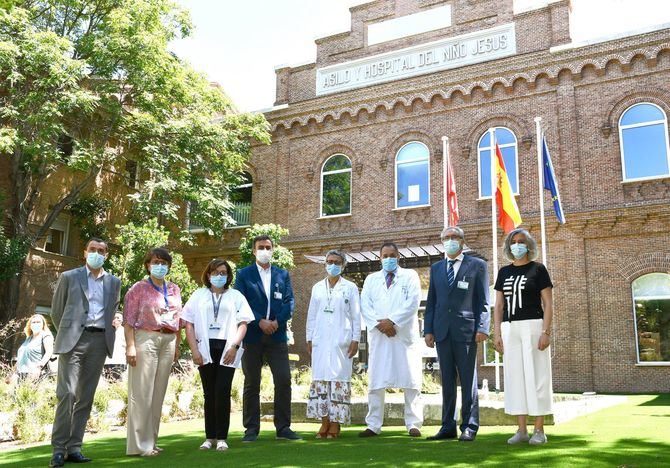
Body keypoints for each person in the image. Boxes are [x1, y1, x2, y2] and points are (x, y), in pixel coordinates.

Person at [49, 237, 121, 468]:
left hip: (99, 341)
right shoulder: (69, 277)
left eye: (101, 251)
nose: (97, 253)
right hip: (73, 341)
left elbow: (113, 310)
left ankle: (75, 447)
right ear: (85, 252)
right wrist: (70, 332)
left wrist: (116, 319)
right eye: (93, 249)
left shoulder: (114, 282)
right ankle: (58, 450)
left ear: (107, 255)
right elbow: (56, 312)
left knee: (85, 398)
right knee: (67, 394)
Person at [424, 226, 490, 442]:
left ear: (462, 241)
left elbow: (484, 301)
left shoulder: (477, 266)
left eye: (454, 237)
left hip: (467, 332)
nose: (450, 241)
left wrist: (483, 327)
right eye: (446, 238)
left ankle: (469, 426)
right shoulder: (436, 268)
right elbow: (431, 302)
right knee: (447, 381)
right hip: (442, 332)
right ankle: (447, 426)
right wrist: (428, 329)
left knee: (468, 380)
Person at [183, 259, 254, 451]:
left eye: (223, 273)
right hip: (204, 347)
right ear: (208, 275)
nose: (219, 276)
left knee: (222, 391)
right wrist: (194, 350)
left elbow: (243, 323)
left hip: (227, 348)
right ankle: (209, 437)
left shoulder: (235, 296)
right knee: (209, 393)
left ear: (228, 276)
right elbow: (188, 323)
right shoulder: (199, 295)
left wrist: (234, 346)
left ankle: (222, 437)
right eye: (215, 272)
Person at [234, 234, 300, 441]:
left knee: (283, 379)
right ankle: (251, 429)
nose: (264, 250)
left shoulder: (282, 274)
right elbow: (240, 301)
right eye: (260, 247)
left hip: (277, 335)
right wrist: (259, 320)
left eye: (268, 247)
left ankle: (283, 428)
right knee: (252, 382)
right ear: (254, 251)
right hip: (252, 335)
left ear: (273, 250)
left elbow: (289, 302)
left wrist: (276, 322)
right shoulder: (243, 274)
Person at [493, 228, 554, 445]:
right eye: (513, 242)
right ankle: (521, 430)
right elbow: (499, 306)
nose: (516, 245)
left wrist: (546, 332)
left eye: (521, 241)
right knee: (515, 377)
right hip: (511, 328)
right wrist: (497, 333)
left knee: (537, 376)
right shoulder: (503, 272)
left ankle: (539, 429)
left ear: (528, 245)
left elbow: (547, 303)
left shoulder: (538, 270)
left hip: (534, 326)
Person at [359, 241, 423, 438]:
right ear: (380, 258)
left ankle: (413, 423)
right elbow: (365, 305)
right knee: (376, 380)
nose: (388, 259)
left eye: (392, 255)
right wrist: (382, 326)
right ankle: (373, 424)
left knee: (411, 379)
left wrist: (393, 322)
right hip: (380, 335)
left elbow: (413, 302)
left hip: (402, 334)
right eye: (384, 256)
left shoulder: (410, 276)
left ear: (398, 257)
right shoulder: (371, 279)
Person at [123, 247, 182, 457]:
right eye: (156, 262)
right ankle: (140, 446)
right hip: (145, 337)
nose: (160, 266)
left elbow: (178, 319)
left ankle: (152, 441)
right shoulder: (138, 288)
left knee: (158, 393)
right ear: (148, 265)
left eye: (164, 263)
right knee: (142, 393)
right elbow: (128, 321)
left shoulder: (174, 289)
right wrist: (130, 346)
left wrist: (178, 343)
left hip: (169, 339)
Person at [306, 249, 361, 439]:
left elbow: (356, 316)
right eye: (330, 261)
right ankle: (324, 422)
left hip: (342, 341)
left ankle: (336, 423)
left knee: (338, 380)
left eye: (337, 262)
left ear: (343, 265)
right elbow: (312, 316)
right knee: (321, 380)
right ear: (325, 264)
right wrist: (309, 338)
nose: (333, 265)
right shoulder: (317, 288)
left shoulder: (350, 287)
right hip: (320, 340)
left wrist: (356, 339)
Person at [15, 314, 54, 380]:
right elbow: (21, 356)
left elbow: (49, 352)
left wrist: (39, 367)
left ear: (43, 324)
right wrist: (13, 372)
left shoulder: (46, 336)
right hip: (21, 374)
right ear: (30, 325)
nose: (36, 324)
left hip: (35, 374)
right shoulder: (29, 338)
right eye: (34, 322)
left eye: (38, 322)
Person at [104, 313, 126, 380]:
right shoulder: (107, 331)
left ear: (121, 321)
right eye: (114, 318)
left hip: (119, 361)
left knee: (117, 382)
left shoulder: (124, 331)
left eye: (117, 318)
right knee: (108, 382)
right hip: (107, 362)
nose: (115, 319)